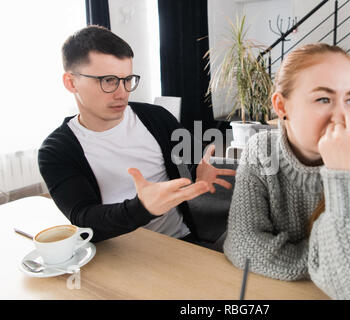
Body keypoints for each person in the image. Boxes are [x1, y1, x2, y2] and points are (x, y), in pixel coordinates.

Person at [223, 43, 350, 299]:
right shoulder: (261, 151)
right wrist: (326, 262)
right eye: (323, 99)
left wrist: (346, 181)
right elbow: (242, 245)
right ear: (281, 106)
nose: (341, 116)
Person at [38, 25, 235, 248]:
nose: (122, 92)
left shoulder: (156, 118)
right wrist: (142, 208)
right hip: (115, 256)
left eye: (127, 79)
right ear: (71, 82)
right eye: (108, 80)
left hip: (179, 242)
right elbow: (85, 220)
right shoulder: (56, 151)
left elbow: (189, 158)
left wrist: (197, 168)